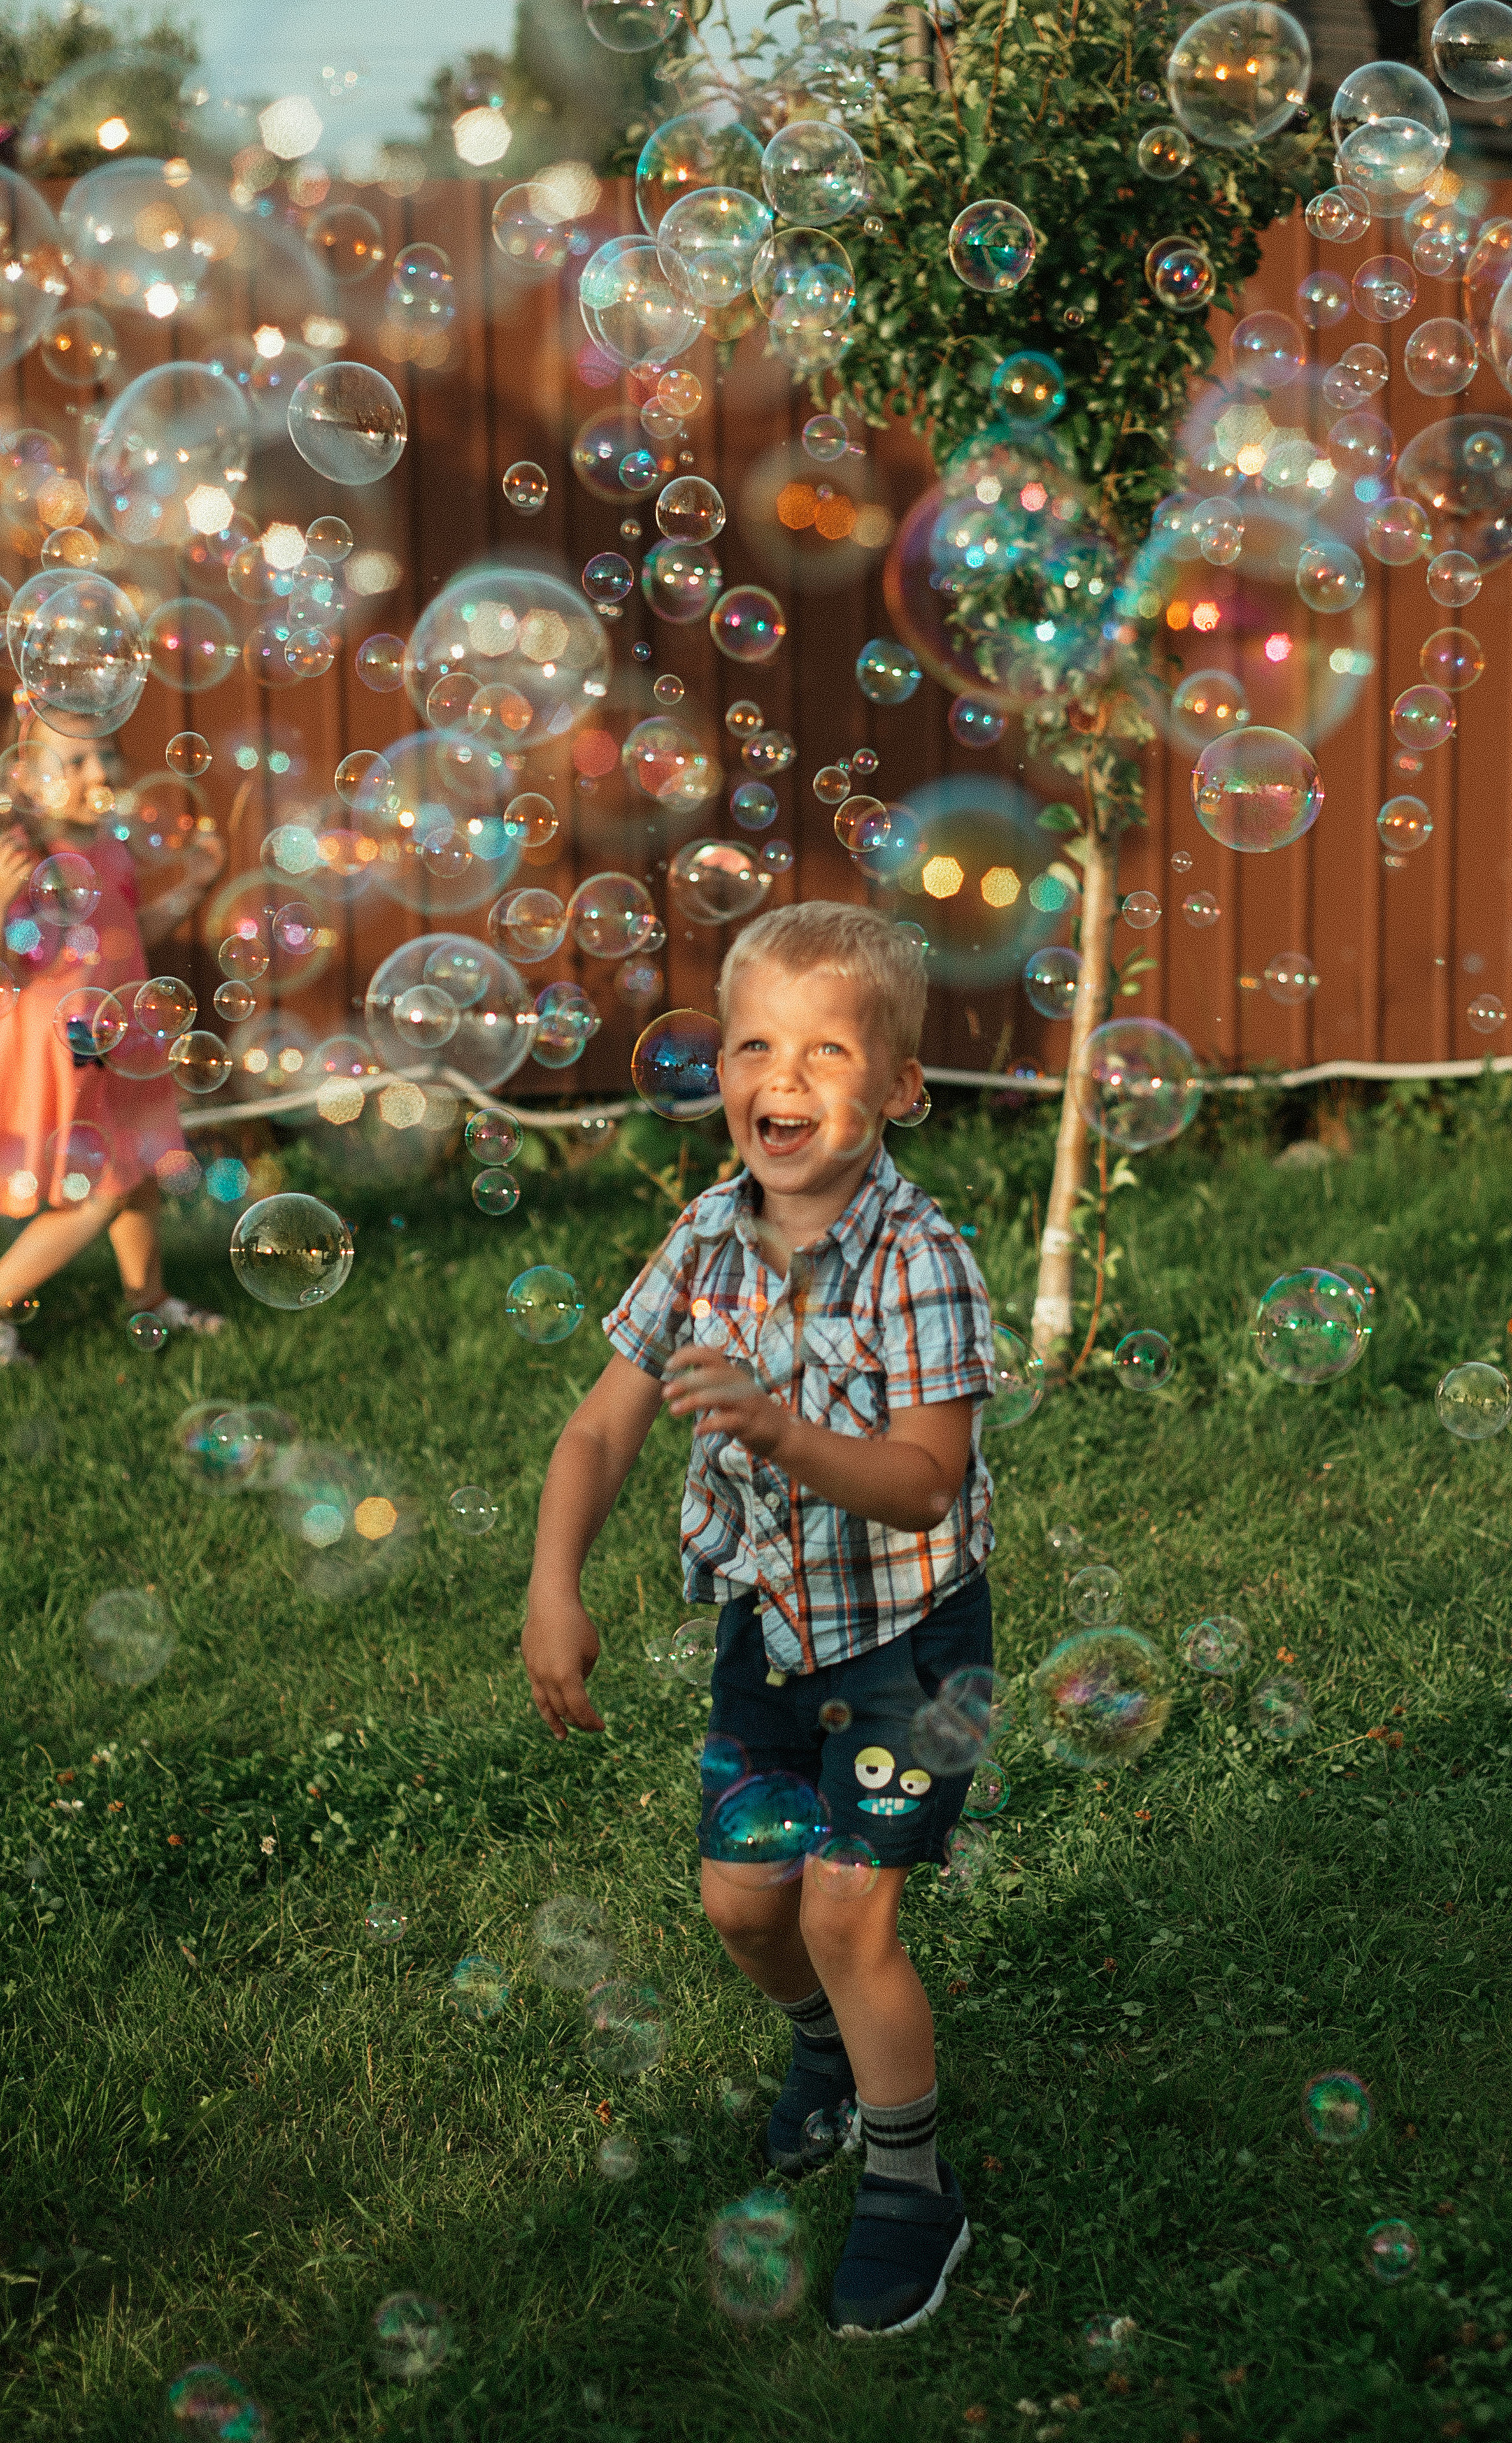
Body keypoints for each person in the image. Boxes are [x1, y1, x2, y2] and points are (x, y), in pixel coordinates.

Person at [521, 900, 997, 2339]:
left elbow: (923, 1482)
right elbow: (601, 1428)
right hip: (770, 1635)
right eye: (749, 1042)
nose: (776, 1077)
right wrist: (555, 1578)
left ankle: (913, 2184)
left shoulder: (923, 1259)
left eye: (825, 1047)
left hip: (909, 1642)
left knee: (849, 1916)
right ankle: (821, 2059)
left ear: (899, 1087)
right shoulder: (701, 1238)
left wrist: (784, 1431)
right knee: (742, 1902)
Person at [0, 712, 225, 1364]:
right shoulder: (20, 855)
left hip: (121, 1033)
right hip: (68, 1046)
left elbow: (127, 932)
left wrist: (194, 888)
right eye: (74, 762)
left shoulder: (106, 844)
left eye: (105, 757)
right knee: (94, 1195)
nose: (98, 772)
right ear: (29, 776)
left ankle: (148, 1300)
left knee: (141, 1171)